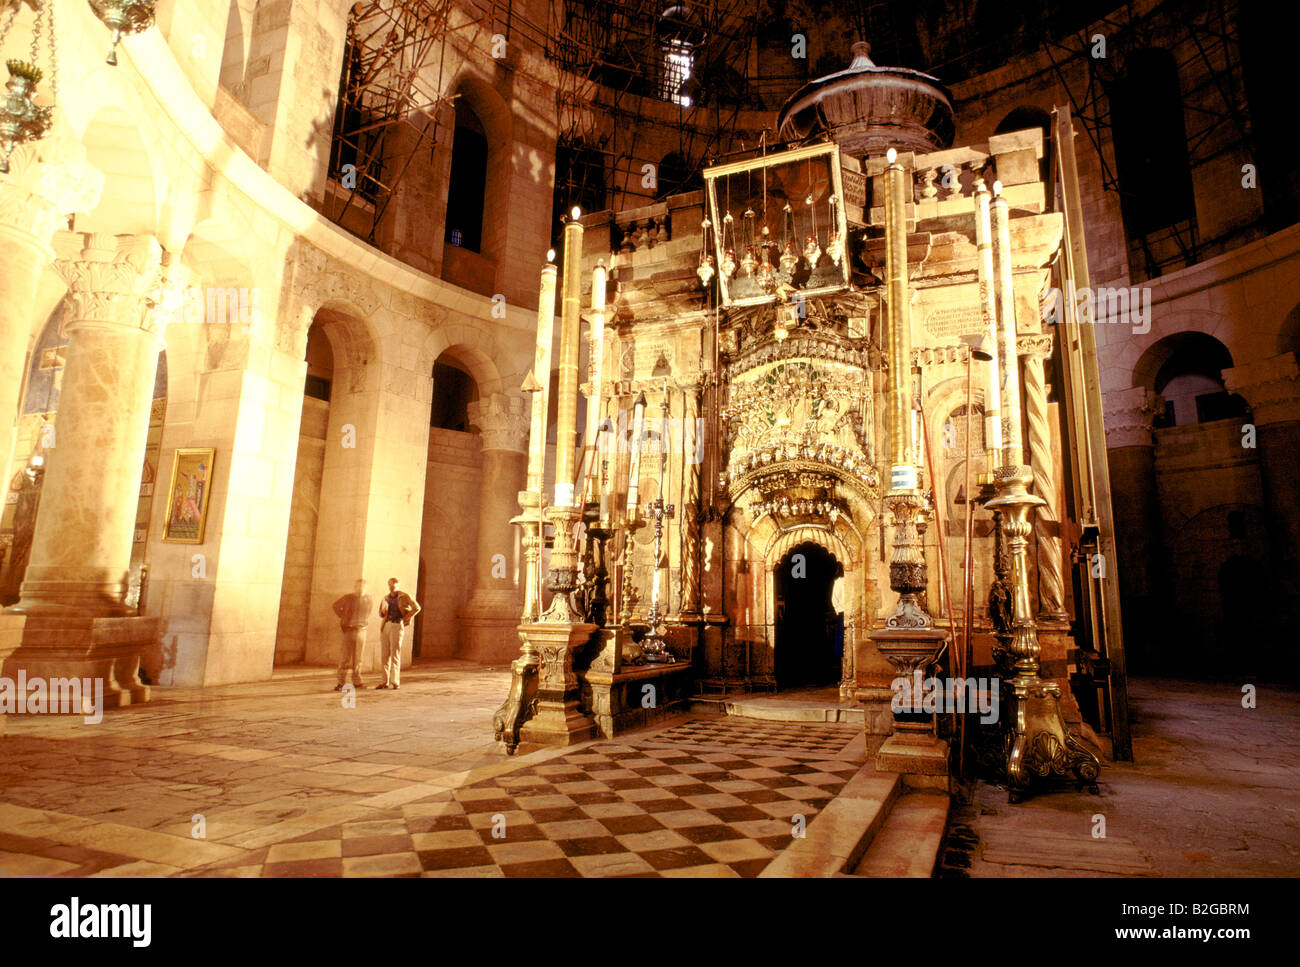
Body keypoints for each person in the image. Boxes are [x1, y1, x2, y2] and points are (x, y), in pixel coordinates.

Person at [376, 577, 420, 689]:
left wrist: (407, 617)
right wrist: (382, 612)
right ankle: (384, 681)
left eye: (394, 585)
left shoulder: (404, 596)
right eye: (390, 584)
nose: (392, 586)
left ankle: (395, 681)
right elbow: (381, 614)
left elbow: (417, 608)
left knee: (395, 653)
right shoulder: (385, 598)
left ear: (398, 585)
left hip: (397, 624)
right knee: (385, 655)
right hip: (386, 625)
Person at [332, 579, 373, 691]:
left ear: (365, 587)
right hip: (349, 630)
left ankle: (357, 681)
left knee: (358, 658)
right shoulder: (347, 598)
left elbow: (369, 611)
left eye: (362, 587)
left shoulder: (368, 599)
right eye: (358, 587)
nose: (360, 589)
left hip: (362, 630)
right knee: (345, 657)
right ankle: (341, 683)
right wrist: (343, 617)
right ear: (354, 587)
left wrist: (363, 622)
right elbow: (335, 606)